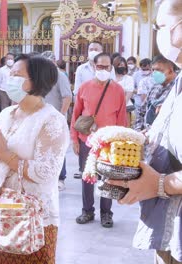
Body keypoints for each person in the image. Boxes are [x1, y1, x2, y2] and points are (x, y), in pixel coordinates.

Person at [107, 0, 182, 262]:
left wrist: (160, 183)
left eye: (162, 26)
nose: (159, 34)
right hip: (168, 229)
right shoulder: (180, 81)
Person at [0, 54, 69, 263]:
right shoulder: (6, 114)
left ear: (36, 81)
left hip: (32, 217)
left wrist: (4, 154)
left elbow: (46, 172)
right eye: (10, 74)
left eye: (17, 75)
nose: (10, 80)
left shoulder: (51, 120)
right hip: (0, 209)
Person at [71, 52, 127, 228]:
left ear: (111, 68)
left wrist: (120, 143)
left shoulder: (118, 90)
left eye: (106, 66)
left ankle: (106, 213)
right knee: (87, 176)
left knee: (108, 178)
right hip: (87, 140)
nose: (103, 69)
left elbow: (122, 118)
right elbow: (76, 114)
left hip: (109, 142)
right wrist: (74, 139)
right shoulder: (84, 87)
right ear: (94, 66)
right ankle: (87, 211)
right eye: (99, 66)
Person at [73, 41, 115, 179]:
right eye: (91, 49)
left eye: (96, 49)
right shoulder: (81, 69)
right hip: (88, 119)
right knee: (87, 164)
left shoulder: (110, 69)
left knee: (105, 162)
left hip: (106, 121)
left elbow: (112, 88)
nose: (93, 51)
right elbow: (77, 93)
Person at [42, 50, 73, 191]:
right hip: (42, 118)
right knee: (44, 147)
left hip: (57, 118)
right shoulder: (41, 77)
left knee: (58, 148)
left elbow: (67, 97)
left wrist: (61, 116)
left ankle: (61, 178)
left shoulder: (60, 76)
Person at [134, 55, 177, 131]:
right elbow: (141, 111)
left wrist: (150, 131)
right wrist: (138, 130)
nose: (154, 73)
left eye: (158, 70)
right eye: (153, 70)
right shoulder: (154, 87)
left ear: (170, 70)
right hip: (145, 137)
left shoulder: (177, 89)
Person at [113, 56, 136, 127]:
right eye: (119, 65)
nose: (121, 67)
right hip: (111, 108)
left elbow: (129, 93)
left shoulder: (129, 79)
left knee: (125, 129)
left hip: (125, 107)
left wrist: (121, 107)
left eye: (122, 65)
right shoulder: (110, 78)